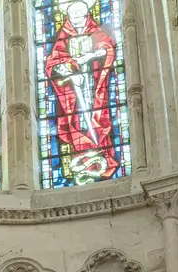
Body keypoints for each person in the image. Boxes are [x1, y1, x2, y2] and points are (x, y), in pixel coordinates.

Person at [42, 0, 122, 184]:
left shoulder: (96, 30)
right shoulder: (64, 34)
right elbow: (53, 61)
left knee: (97, 115)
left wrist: (92, 56)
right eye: (74, 14)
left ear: (87, 14)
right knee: (76, 118)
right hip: (73, 88)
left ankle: (100, 152)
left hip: (94, 83)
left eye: (82, 14)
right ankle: (81, 156)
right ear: (68, 15)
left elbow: (108, 48)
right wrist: (69, 72)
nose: (78, 18)